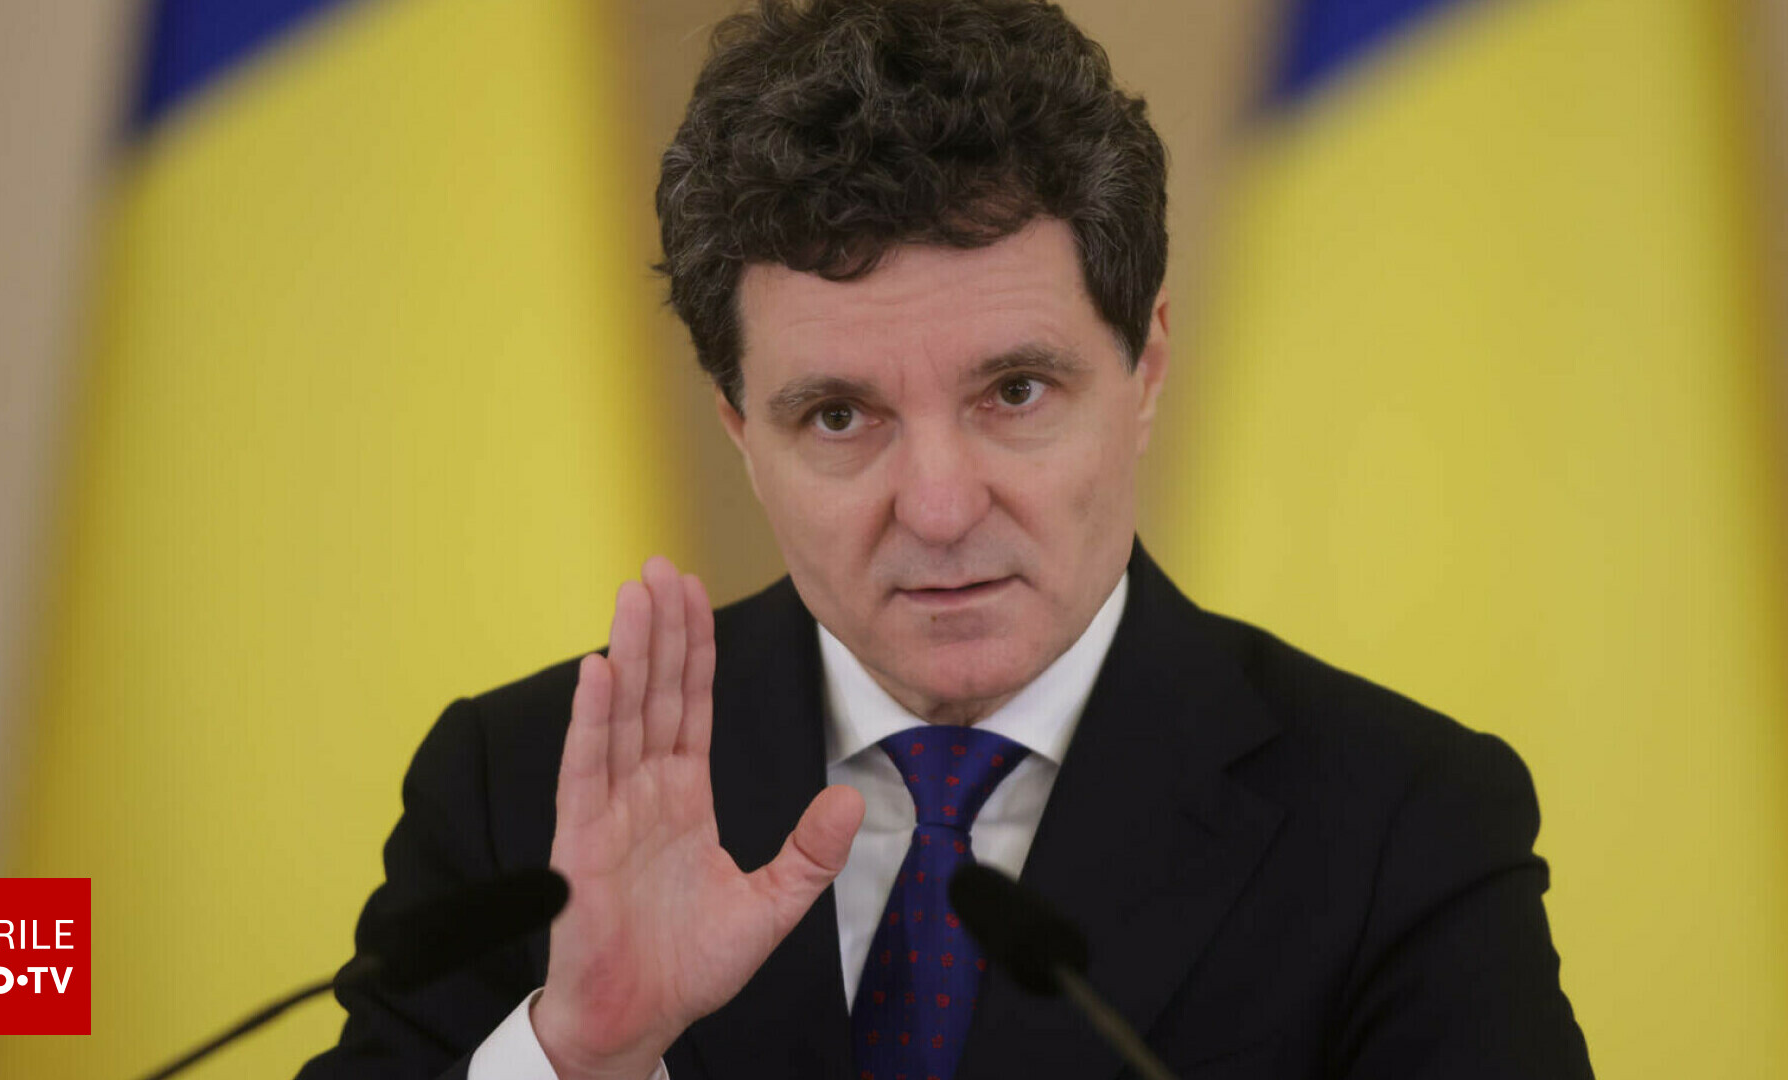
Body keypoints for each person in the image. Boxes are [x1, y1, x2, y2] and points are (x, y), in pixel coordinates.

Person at [298, 1, 1593, 1078]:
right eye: (839, 415)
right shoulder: (522, 794)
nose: (936, 506)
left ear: (1144, 366)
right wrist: (575, 1053)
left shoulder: (1400, 826)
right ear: (740, 426)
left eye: (1014, 392)